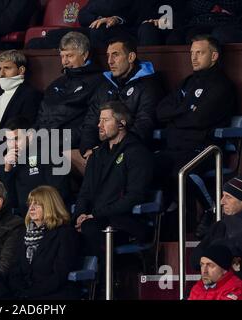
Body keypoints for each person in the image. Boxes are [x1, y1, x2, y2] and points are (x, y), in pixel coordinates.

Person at [156, 34, 236, 237]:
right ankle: (167, 214)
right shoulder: (187, 82)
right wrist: (186, 109)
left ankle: (211, 209)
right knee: (147, 166)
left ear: (214, 55)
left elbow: (199, 119)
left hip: (205, 149)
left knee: (181, 171)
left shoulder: (222, 86)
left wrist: (177, 115)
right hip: (174, 148)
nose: (193, 57)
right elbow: (160, 111)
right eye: (192, 53)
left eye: (199, 52)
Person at [75, 101, 154, 256]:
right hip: (94, 219)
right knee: (64, 231)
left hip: (124, 222)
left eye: (105, 120)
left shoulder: (137, 152)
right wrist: (80, 215)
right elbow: (84, 192)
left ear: (121, 123)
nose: (99, 125)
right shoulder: (96, 155)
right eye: (99, 120)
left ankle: (105, 278)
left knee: (90, 228)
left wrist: (95, 215)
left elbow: (134, 196)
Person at [80, 36, 163, 171]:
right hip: (101, 150)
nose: (109, 61)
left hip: (130, 152)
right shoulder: (105, 85)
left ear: (131, 57)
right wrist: (89, 148)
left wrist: (106, 150)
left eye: (115, 55)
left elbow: (144, 125)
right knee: (57, 159)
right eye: (108, 56)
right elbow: (90, 121)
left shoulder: (149, 86)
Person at [34, 31, 103, 176]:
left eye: (70, 56)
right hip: (47, 143)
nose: (65, 61)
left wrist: (56, 142)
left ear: (84, 55)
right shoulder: (55, 85)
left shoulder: (98, 82)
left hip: (71, 145)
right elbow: (41, 116)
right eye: (62, 56)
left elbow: (90, 123)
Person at [8, 186, 81, 299]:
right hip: (26, 293)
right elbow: (15, 268)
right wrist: (20, 291)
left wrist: (31, 293)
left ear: (50, 206)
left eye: (37, 204)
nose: (31, 208)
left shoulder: (65, 234)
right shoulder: (23, 232)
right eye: (30, 204)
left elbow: (60, 275)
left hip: (54, 294)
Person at [3, 117, 71, 216]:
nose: (13, 145)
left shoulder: (49, 153)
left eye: (16, 139)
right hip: (22, 220)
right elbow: (11, 202)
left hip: (49, 217)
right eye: (9, 140)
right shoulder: (11, 162)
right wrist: (7, 171)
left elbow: (60, 194)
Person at [0, 50, 42, 130]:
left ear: (21, 70)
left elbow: (24, 127)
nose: (1, 74)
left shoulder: (31, 95)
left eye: (7, 68)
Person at [191, 176, 242, 270]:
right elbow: (195, 261)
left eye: (228, 197)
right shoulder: (219, 227)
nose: (222, 201)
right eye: (223, 196)